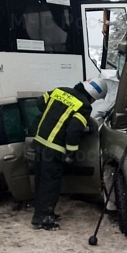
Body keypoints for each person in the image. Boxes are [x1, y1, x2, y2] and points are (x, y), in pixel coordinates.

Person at [31, 78, 107, 229]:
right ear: (92, 96)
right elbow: (73, 131)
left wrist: (54, 114)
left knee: (41, 181)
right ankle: (43, 217)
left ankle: (42, 212)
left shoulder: (59, 91)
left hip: (39, 142)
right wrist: (71, 153)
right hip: (54, 149)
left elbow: (39, 103)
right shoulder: (83, 106)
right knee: (50, 183)